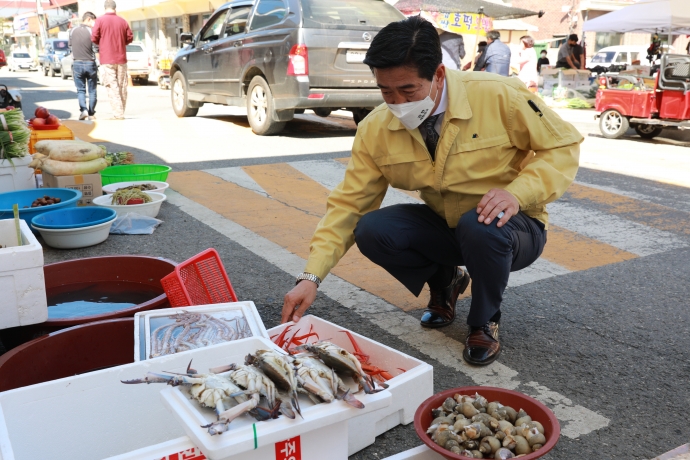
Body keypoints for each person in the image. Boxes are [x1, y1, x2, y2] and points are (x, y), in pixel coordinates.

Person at [281, 16, 582, 366]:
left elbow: (563, 147)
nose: (397, 102)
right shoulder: (377, 128)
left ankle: (485, 320)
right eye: (385, 91)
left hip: (511, 227)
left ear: (438, 74)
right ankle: (446, 282)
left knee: (480, 225)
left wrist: (517, 193)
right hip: (448, 225)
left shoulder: (501, 95)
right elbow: (350, 204)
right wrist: (311, 277)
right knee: (372, 230)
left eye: (408, 89)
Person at [92, 0, 133, 120]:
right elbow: (129, 37)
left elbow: (94, 37)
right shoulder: (123, 21)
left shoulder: (100, 20)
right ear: (115, 8)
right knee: (122, 85)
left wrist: (103, 43)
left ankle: (118, 114)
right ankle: (121, 111)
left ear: (105, 8)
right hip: (121, 57)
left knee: (112, 86)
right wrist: (121, 42)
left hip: (107, 58)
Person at [69, 12, 99, 120]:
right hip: (90, 63)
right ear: (89, 19)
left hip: (77, 63)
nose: (94, 24)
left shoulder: (72, 30)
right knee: (92, 90)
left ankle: (83, 110)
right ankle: (91, 113)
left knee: (81, 90)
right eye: (94, 21)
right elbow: (96, 48)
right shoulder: (91, 31)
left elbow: (70, 47)